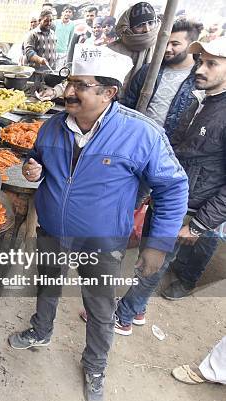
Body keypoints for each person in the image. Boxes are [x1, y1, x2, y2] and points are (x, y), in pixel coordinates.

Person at [9, 44, 188, 401]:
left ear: (109, 93)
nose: (69, 92)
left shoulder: (141, 134)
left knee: (100, 306)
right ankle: (40, 330)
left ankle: (94, 366)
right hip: (54, 229)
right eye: (70, 81)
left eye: (82, 85)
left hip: (102, 240)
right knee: (47, 284)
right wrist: (33, 166)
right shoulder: (52, 127)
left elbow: (174, 187)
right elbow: (37, 157)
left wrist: (158, 243)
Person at [114, 37, 226, 334]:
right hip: (171, 197)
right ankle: (137, 310)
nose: (200, 69)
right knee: (151, 258)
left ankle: (123, 316)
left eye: (212, 63)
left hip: (191, 209)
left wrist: (200, 224)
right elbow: (175, 152)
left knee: (155, 262)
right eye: (201, 61)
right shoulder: (198, 102)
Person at [122, 19, 202, 138]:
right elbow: (127, 105)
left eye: (175, 44)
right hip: (139, 137)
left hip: (174, 148)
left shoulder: (201, 77)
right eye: (166, 43)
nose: (168, 49)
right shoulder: (148, 71)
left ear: (191, 46)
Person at [107, 2, 159, 89]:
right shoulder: (111, 51)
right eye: (140, 25)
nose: (147, 29)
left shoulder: (163, 48)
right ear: (128, 27)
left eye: (150, 23)